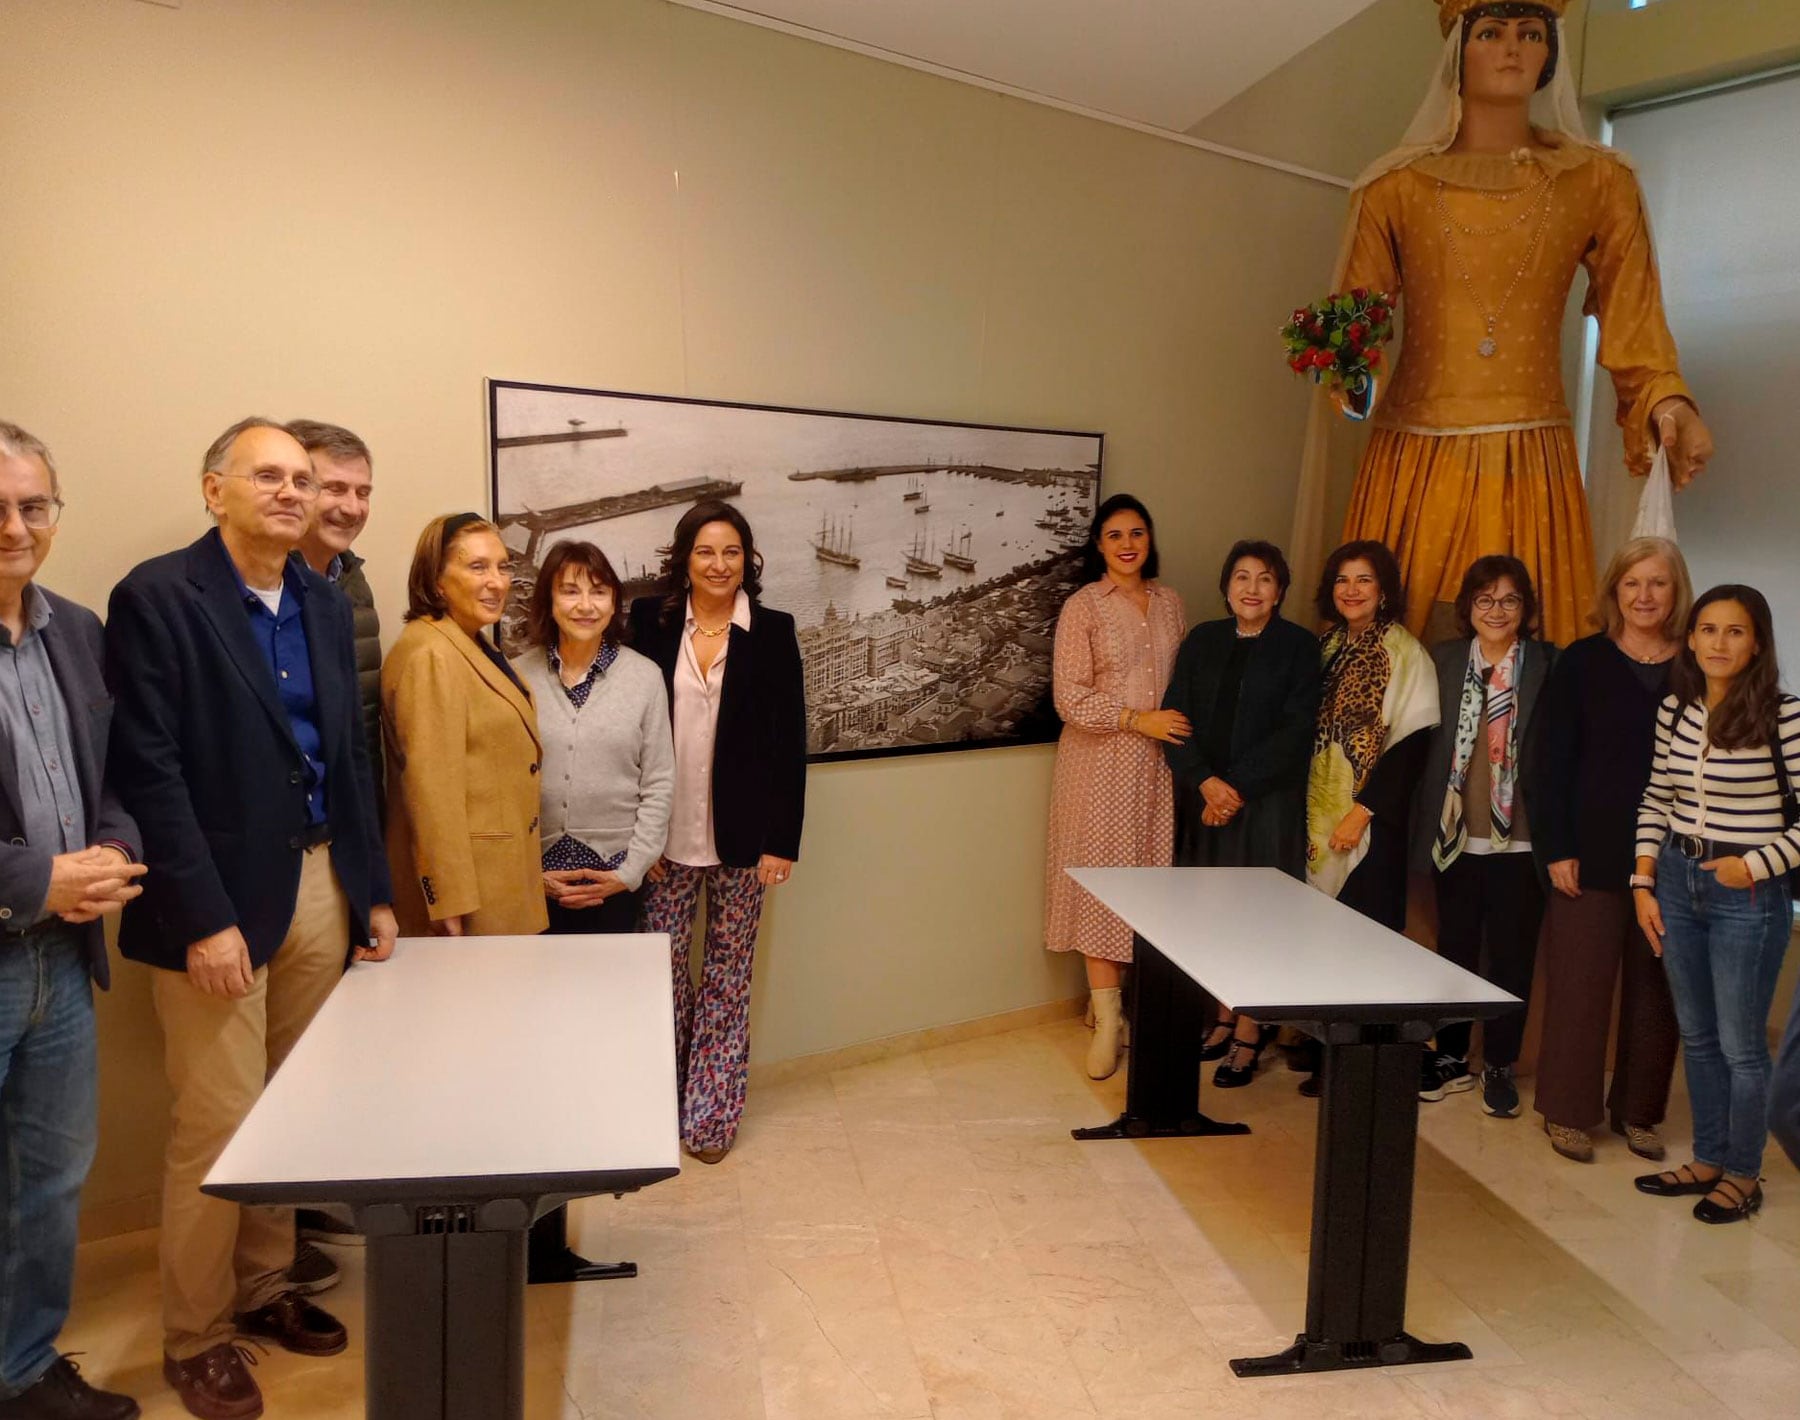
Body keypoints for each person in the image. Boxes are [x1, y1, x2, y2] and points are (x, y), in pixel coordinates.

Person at [106, 418, 396, 1420]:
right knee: (219, 1120)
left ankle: (267, 1288)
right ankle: (196, 1333)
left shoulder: (322, 595)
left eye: (301, 479)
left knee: (292, 1107)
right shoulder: (157, 597)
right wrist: (202, 916)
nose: (290, 491)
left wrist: (373, 890)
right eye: (266, 475)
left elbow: (349, 755)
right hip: (217, 904)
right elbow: (148, 769)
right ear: (212, 488)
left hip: (318, 880)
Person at [1289, 0, 1711, 646]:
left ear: (1550, 53)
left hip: (1529, 461)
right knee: (1392, 651)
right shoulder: (1393, 188)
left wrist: (1667, 397)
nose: (1511, 48)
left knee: (1525, 650)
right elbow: (1359, 324)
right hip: (1414, 456)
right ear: (1460, 48)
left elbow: (1636, 318)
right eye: (1491, 32)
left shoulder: (1596, 181)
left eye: (1529, 33)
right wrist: (1351, 373)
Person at [0, 422, 145, 1420]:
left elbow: (114, 779)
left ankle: (20, 1369)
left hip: (64, 957)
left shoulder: (80, 631)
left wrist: (107, 857)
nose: (15, 526)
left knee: (49, 1186)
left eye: (32, 505)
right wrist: (36, 877)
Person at [629, 501, 805, 1164]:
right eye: (706, 551)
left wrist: (782, 840)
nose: (719, 564)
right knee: (662, 974)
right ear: (685, 558)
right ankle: (660, 1102)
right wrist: (632, 842)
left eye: (731, 552)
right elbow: (628, 731)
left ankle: (709, 1116)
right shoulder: (651, 622)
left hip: (744, 839)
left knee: (729, 975)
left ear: (748, 560)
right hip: (662, 838)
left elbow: (790, 744)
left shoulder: (773, 631)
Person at [1632, 585, 1799, 1225]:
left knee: (1740, 1044)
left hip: (1747, 892)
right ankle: (1706, 1158)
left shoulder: (1786, 717)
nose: (1718, 643)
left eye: (1734, 631)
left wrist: (1749, 865)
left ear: (1757, 642)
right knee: (1697, 1036)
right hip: (1676, 877)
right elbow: (1654, 798)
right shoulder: (1676, 710)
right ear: (1692, 637)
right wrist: (1643, 880)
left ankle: (1742, 1173)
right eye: (1707, 629)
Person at [1532, 537, 1691, 1163]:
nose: (1644, 596)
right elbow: (1548, 761)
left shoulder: (1699, 665)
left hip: (1677, 860)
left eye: (1658, 583)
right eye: (1632, 584)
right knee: (1580, 984)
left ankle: (1640, 1113)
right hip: (1589, 851)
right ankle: (1568, 1112)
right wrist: (1556, 847)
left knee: (1659, 992)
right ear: (1614, 592)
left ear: (1676, 592)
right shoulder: (1582, 661)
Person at [1161, 540, 1318, 1089]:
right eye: (1242, 577)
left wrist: (1234, 790)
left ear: (1280, 591)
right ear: (1226, 586)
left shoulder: (1299, 646)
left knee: (1257, 921)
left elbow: (1297, 732)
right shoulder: (1202, 639)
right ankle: (1223, 1016)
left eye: (1266, 579)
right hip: (1203, 800)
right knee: (1210, 915)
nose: (1252, 588)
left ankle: (1251, 1032)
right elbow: (1173, 718)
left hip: (1265, 806)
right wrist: (1205, 782)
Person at [1044, 494, 1187, 1081]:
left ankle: (1128, 1008)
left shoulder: (1173, 603)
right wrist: (1136, 719)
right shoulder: (1083, 607)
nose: (1127, 545)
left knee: (1148, 883)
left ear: (1149, 539)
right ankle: (1107, 1019)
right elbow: (1069, 696)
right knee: (1101, 886)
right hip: (1099, 763)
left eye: (1137, 533)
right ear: (1098, 546)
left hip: (1159, 766)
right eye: (1114, 536)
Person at [286, 419, 381, 1277]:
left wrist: (370, 873)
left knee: (323, 1044)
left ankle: (305, 1215)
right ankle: (276, 1237)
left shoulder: (350, 586)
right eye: (330, 487)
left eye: (360, 492)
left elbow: (362, 736)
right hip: (269, 862)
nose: (346, 506)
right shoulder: (238, 592)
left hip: (339, 845)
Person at [1411, 556, 1556, 1118]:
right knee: (1456, 951)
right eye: (1485, 600)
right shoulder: (1442, 659)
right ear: (1468, 608)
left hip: (1521, 842)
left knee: (1513, 959)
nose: (1496, 611)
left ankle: (1499, 1061)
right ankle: (1449, 1056)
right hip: (1453, 836)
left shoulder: (1548, 663)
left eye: (1510, 600)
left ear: (1526, 610)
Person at [1300, 540, 1439, 1096]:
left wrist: (1361, 812)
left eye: (1364, 580)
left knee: (1362, 943)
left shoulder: (1406, 653)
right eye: (1342, 579)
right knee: (1317, 939)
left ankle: (1359, 1067)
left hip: (1368, 821)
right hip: (1314, 815)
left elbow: (1410, 748)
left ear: (1384, 590)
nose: (1351, 589)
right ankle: (1323, 1055)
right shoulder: (1325, 645)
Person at [382, 513, 546, 938]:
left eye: (502, 566)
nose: (497, 581)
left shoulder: (469, 641)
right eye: (477, 567)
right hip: (471, 894)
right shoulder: (431, 654)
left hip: (501, 877)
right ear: (437, 580)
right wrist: (448, 898)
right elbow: (431, 788)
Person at [511, 540, 673, 933]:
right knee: (539, 992)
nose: (586, 605)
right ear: (548, 599)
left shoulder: (644, 677)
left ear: (614, 601)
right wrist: (528, 873)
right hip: (534, 881)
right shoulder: (515, 677)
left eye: (598, 592)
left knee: (611, 992)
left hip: (616, 879)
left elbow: (659, 780)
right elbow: (500, 787)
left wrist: (631, 870)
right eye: (570, 591)